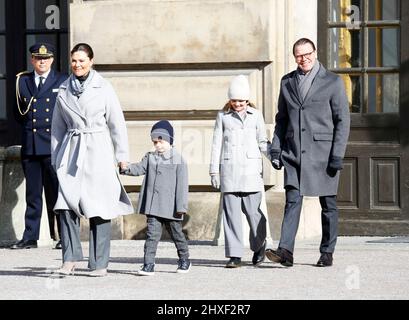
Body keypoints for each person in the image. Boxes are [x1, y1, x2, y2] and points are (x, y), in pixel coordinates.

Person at [51, 43, 134, 277]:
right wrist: (56, 158)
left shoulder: (104, 87)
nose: (77, 65)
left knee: (99, 207)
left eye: (82, 60)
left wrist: (122, 156)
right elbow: (57, 127)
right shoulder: (63, 89)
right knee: (64, 205)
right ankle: (70, 258)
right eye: (74, 61)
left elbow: (117, 123)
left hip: (98, 150)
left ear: (91, 61)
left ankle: (99, 263)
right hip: (71, 151)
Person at [267, 38, 350, 267]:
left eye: (307, 54)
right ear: (294, 57)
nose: (304, 59)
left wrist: (337, 155)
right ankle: (285, 251)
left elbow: (342, 120)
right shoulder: (286, 82)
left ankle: (327, 252)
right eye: (299, 56)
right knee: (292, 201)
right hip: (294, 153)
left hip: (324, 154)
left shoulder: (333, 82)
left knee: (328, 205)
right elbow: (281, 120)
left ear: (315, 52)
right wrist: (276, 149)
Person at [209, 75, 269, 268]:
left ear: (247, 100)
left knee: (254, 213)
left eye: (241, 100)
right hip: (229, 172)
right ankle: (234, 255)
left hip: (251, 172)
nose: (238, 104)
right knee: (231, 216)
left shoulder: (256, 115)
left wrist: (275, 157)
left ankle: (259, 246)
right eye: (234, 100)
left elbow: (263, 141)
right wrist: (213, 172)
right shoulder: (223, 117)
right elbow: (216, 144)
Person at [11, 43, 67, 250]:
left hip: (52, 145)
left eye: (46, 58)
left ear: (52, 60)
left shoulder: (61, 80)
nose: (42, 61)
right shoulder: (22, 81)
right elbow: (18, 113)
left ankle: (63, 236)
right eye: (38, 58)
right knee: (32, 194)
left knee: (56, 194)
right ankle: (30, 236)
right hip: (31, 145)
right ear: (32, 60)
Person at [120, 120, 190, 276]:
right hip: (153, 207)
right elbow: (139, 168)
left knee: (177, 235)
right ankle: (148, 264)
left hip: (172, 208)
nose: (158, 145)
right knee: (152, 236)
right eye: (155, 142)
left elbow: (182, 186)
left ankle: (184, 259)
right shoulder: (150, 157)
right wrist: (126, 168)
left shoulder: (178, 159)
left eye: (161, 141)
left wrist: (181, 207)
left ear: (170, 141)